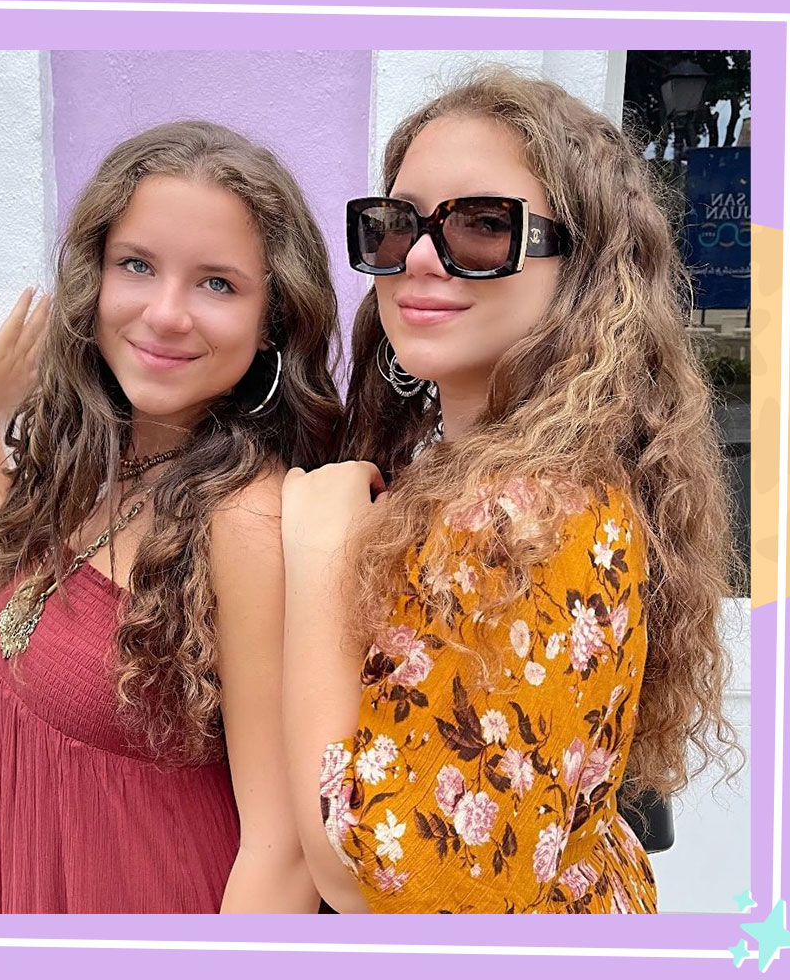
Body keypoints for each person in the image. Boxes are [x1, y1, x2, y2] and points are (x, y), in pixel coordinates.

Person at [282, 67, 740, 914]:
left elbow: (391, 887)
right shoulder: (504, 472)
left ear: (585, 270)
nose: (418, 256)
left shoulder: (521, 511)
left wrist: (315, 553)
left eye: (483, 226)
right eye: (395, 225)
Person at [0, 120, 342, 913]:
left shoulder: (244, 525)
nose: (165, 315)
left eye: (217, 284)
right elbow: (20, 606)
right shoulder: (103, 463)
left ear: (273, 323)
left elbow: (284, 855)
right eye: (137, 266)